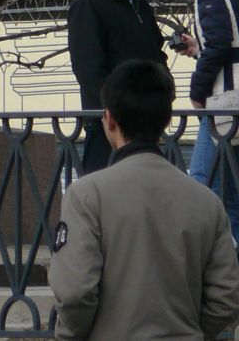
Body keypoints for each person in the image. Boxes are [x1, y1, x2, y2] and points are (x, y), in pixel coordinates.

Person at [49, 58, 239, 341]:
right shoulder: (206, 202)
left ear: (109, 119)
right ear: (167, 119)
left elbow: (76, 292)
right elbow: (227, 296)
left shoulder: (86, 195)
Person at [67, 0, 166, 175]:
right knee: (100, 198)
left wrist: (163, 90)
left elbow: (155, 48)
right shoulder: (89, 2)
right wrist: (114, 106)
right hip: (108, 125)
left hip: (144, 121)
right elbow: (88, 66)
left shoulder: (137, 1)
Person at [188, 0, 239, 242]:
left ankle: (206, 273)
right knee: (231, 194)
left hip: (224, 100)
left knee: (200, 184)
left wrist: (198, 90)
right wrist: (198, 48)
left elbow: (220, 45)